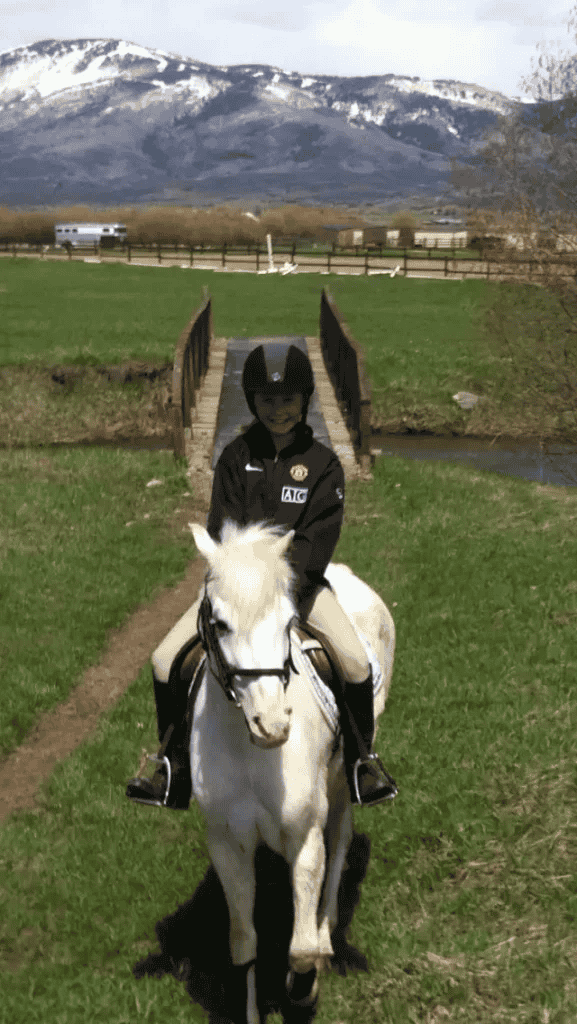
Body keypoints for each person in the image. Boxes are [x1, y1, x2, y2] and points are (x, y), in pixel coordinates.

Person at [126, 342, 396, 809]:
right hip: (235, 593)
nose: (278, 410)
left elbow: (316, 543)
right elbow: (220, 530)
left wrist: (277, 588)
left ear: (304, 400)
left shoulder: (323, 466)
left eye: (288, 400)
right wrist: (243, 585)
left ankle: (360, 764)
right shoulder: (234, 457)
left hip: (300, 591)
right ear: (253, 401)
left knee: (354, 662)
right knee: (164, 659)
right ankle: (172, 766)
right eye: (268, 401)